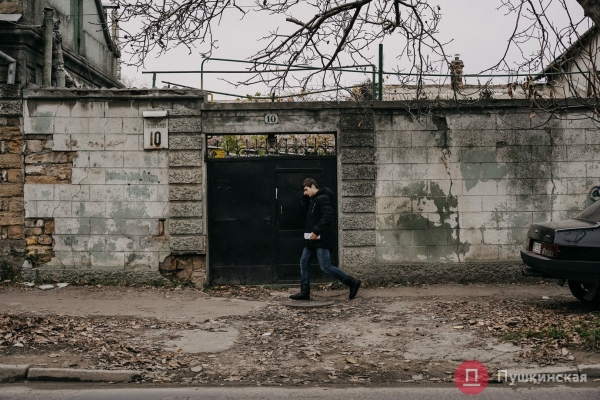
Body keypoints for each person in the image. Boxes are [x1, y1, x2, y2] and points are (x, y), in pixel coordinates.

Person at [290, 178, 361, 301]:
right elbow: (305, 214)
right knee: (304, 262)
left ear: (313, 186)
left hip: (320, 238)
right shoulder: (313, 200)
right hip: (311, 239)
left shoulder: (323, 198)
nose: (305, 193)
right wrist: (305, 199)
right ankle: (305, 292)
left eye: (306, 190)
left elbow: (328, 216)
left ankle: (352, 282)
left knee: (325, 266)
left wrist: (316, 230)